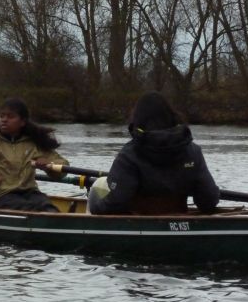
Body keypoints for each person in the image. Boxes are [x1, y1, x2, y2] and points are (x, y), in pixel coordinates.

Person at [89, 91, 220, 215]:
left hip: (139, 226)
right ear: (171, 116)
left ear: (138, 119)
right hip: (180, 222)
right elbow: (209, 202)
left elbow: (115, 203)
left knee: (96, 190)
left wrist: (94, 205)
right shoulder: (193, 152)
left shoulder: (129, 155)